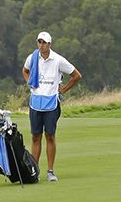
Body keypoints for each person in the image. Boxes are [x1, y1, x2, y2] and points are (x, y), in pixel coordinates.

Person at [22, 31, 82, 182]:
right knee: (35, 137)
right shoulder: (33, 57)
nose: (41, 45)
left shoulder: (58, 60)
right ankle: (34, 172)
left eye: (44, 43)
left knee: (50, 136)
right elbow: (25, 70)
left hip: (52, 103)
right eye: (39, 42)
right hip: (35, 102)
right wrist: (30, 82)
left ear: (50, 44)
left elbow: (76, 75)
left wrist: (64, 89)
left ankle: (50, 171)